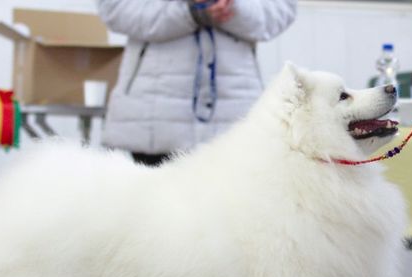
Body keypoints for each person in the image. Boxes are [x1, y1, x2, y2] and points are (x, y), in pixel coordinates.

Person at [97, 0, 297, 165]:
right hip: (155, 115)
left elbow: (281, 10)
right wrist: (188, 12)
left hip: (232, 117)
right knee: (155, 208)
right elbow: (115, 9)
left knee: (228, 210)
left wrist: (233, 7)